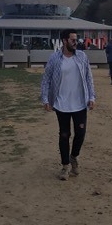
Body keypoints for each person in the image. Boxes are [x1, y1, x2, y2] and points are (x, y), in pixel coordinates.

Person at [41, 29, 96, 180]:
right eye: (72, 40)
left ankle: (74, 156)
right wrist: (45, 99)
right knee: (64, 135)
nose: (75, 42)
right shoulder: (54, 58)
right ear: (64, 41)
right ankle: (65, 166)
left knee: (80, 133)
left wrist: (92, 97)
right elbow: (46, 79)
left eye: (76, 39)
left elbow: (89, 78)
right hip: (61, 103)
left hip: (79, 102)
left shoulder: (82, 57)